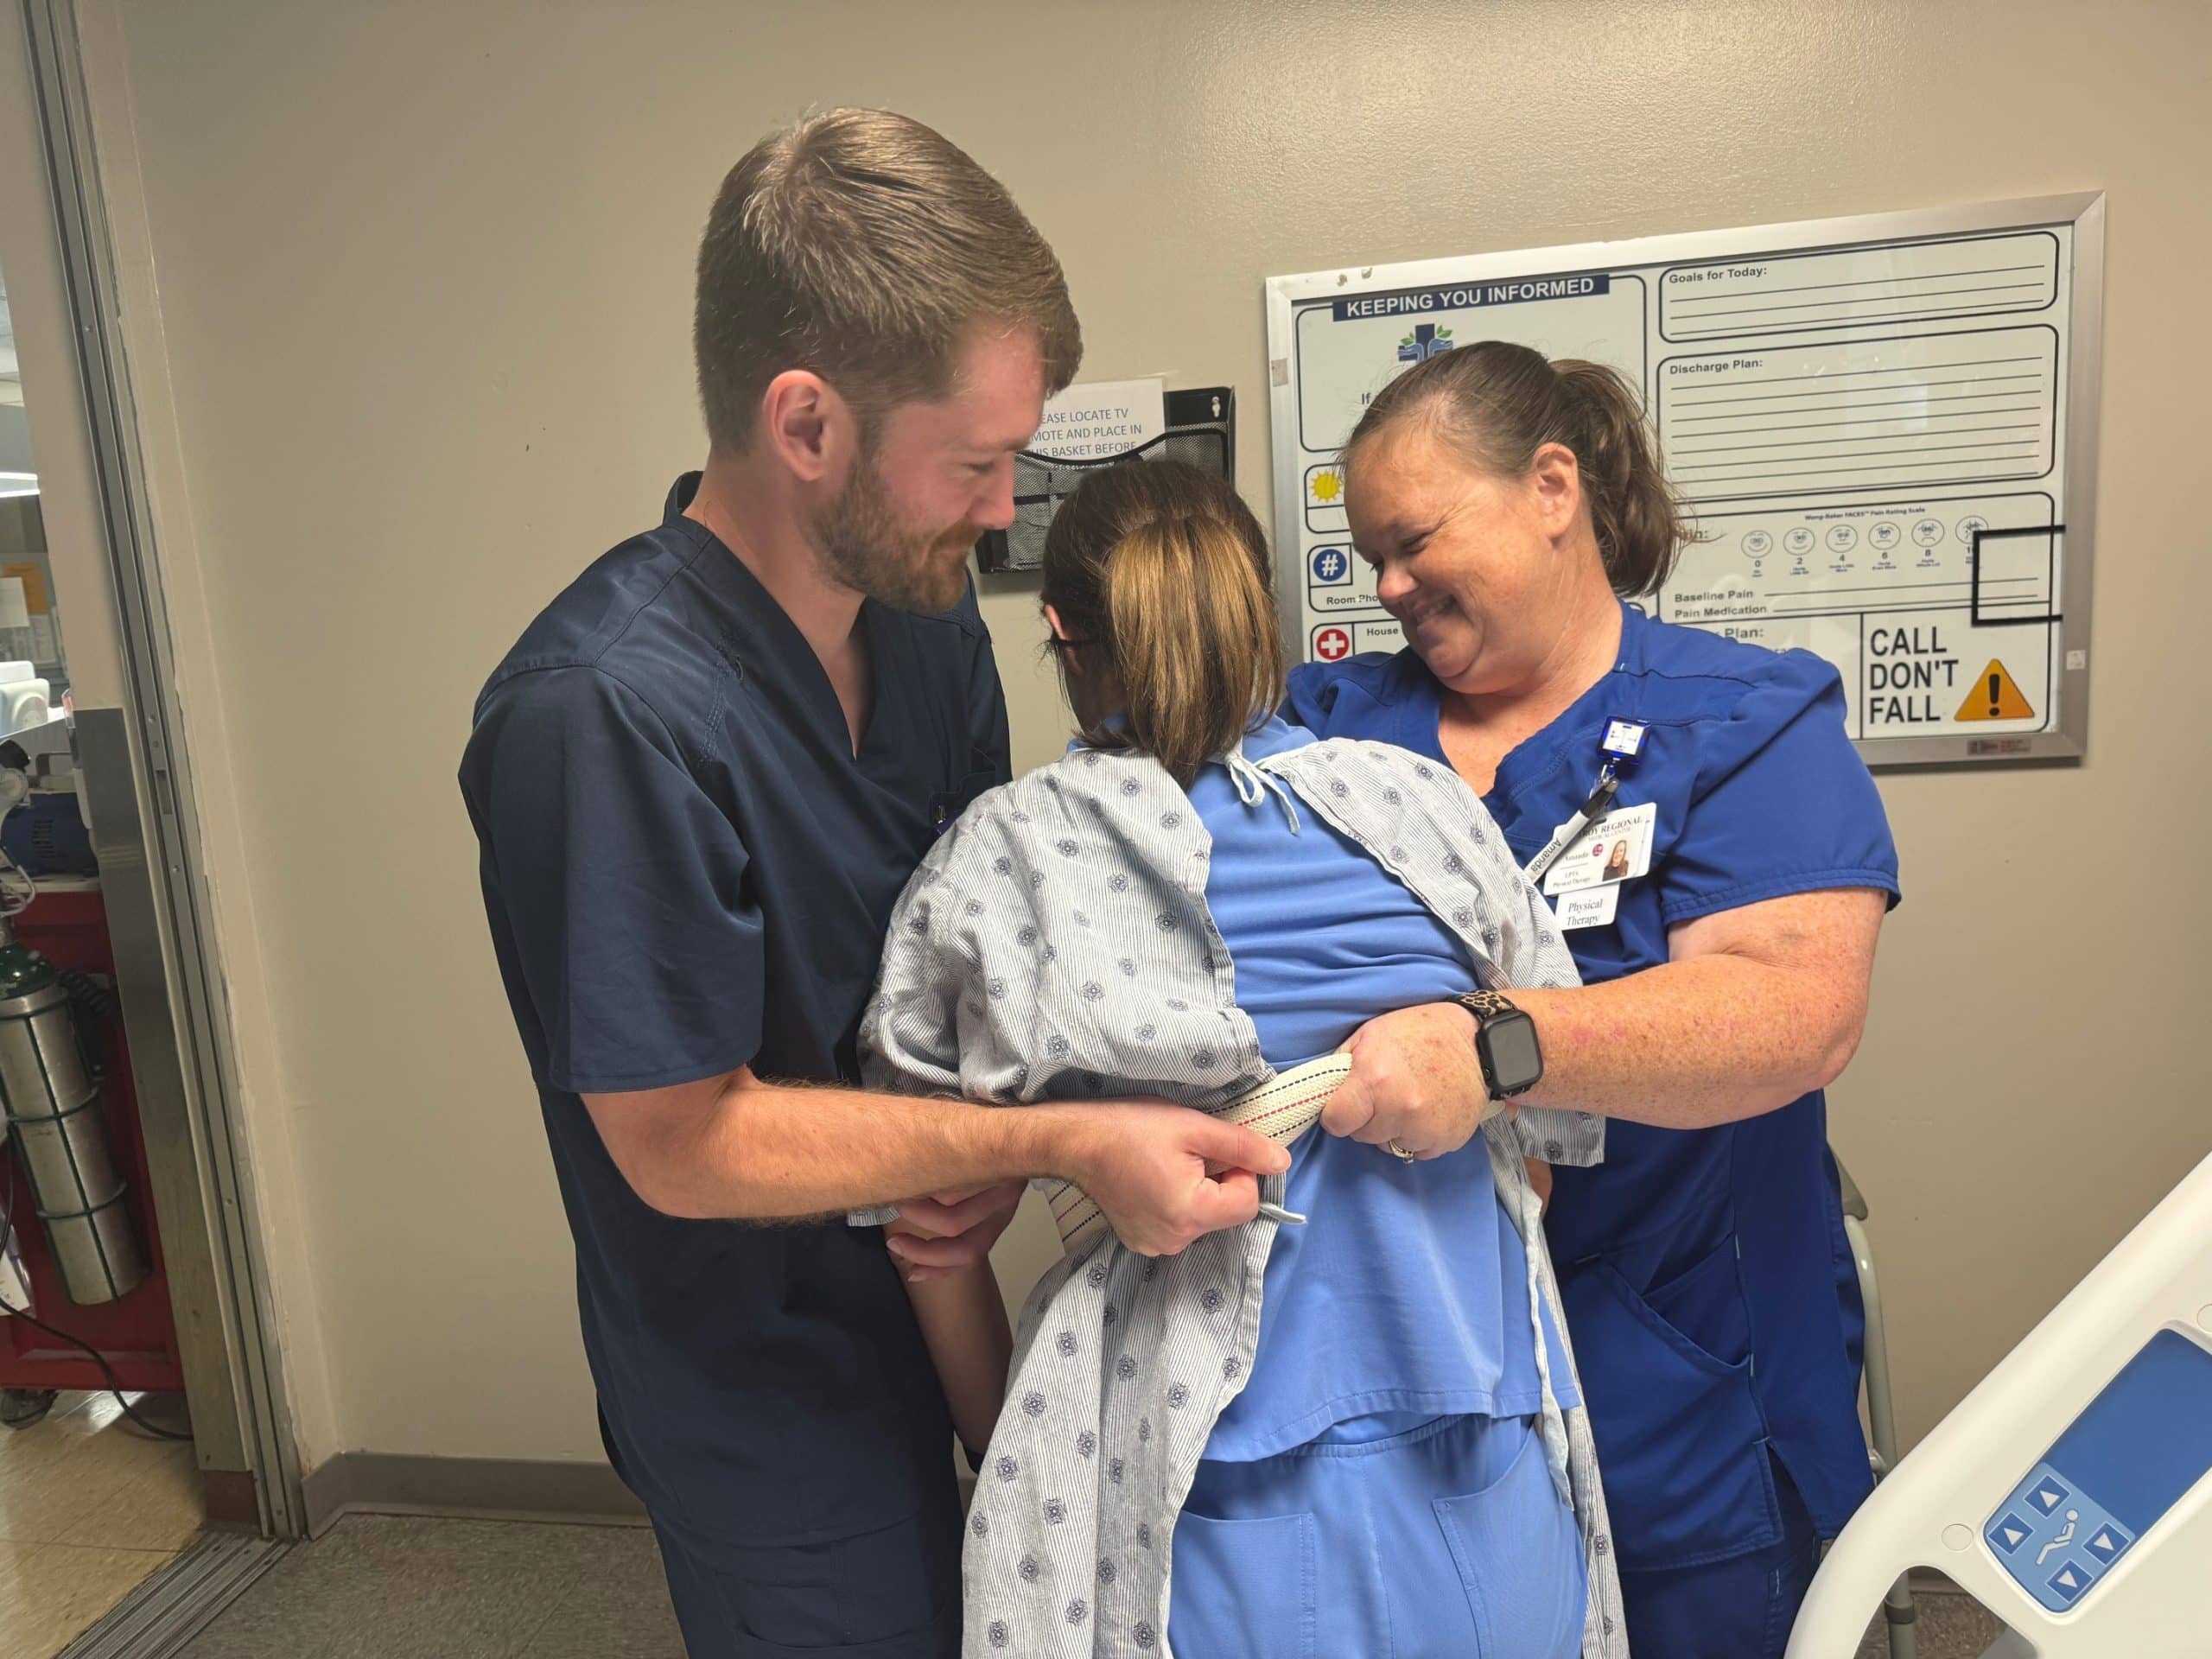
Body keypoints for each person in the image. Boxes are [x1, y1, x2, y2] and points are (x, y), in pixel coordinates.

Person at [456, 111, 1292, 1659]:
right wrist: (1056, 1138)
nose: (1000, 513)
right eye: (974, 465)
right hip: (769, 1391)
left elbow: (989, 942)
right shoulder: (601, 714)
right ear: (806, 424)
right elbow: (681, 1139)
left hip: (952, 1304)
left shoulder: (926, 630)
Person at [856, 460, 1624, 1659]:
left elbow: (927, 1222)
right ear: (1259, 614)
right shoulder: (1423, 810)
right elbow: (1545, 1142)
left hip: (1199, 1476)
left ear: (1060, 629)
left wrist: (1008, 1439)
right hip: (1489, 1430)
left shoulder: (1005, 861)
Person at [1288, 340, 1900, 1657]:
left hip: (1674, 1395)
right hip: (1392, 1382)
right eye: (1368, 556)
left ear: (1552, 486)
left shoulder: (1743, 721)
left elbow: (1796, 1015)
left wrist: (1497, 1051)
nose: (1387, 584)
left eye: (1416, 539)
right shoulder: (1323, 728)